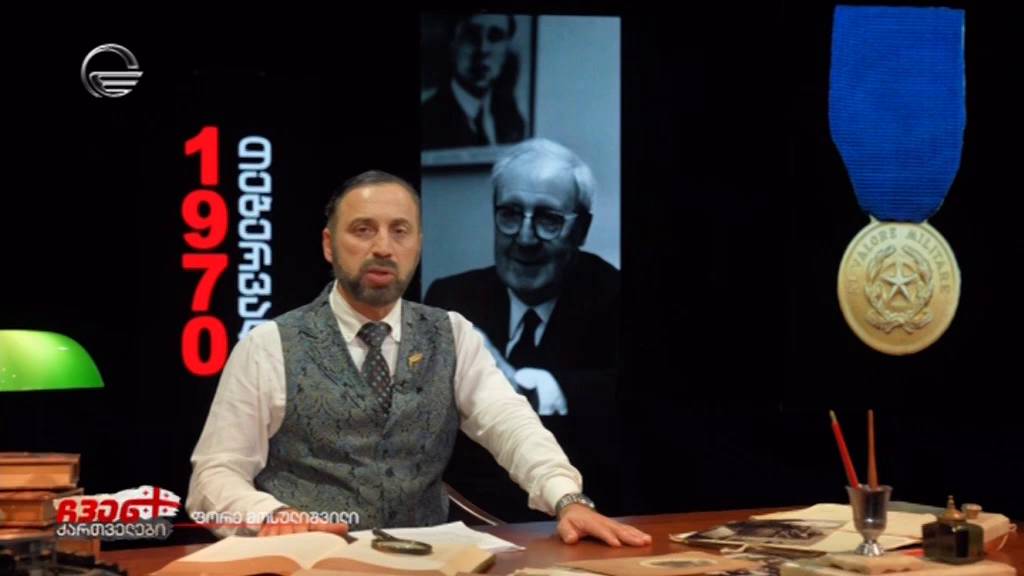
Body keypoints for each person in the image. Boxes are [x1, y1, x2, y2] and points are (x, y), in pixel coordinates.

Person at [186, 170, 648, 548]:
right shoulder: (269, 345)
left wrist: (567, 498)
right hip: (310, 564)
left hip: (429, 560)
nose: (383, 247)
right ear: (329, 244)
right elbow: (214, 474)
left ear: (417, 244)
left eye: (399, 231)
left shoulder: (453, 333)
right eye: (363, 229)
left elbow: (510, 423)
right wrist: (273, 517)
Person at [424, 139, 622, 521]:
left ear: (582, 229)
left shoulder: (615, 299)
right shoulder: (450, 297)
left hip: (579, 521)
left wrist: (527, 386)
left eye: (548, 220)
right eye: (511, 214)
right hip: (462, 523)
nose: (526, 238)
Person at [421, 13, 526, 149]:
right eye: (471, 35)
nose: (483, 49)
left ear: (506, 49)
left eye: (495, 36)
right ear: (452, 43)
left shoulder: (513, 122)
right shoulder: (426, 119)